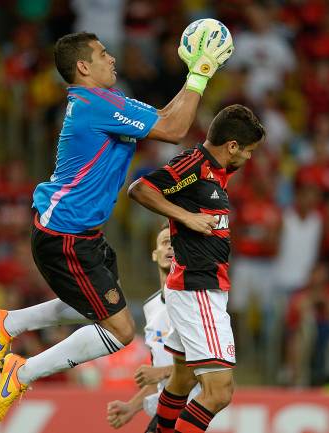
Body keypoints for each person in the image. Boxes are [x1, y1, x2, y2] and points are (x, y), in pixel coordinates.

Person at [0, 30, 234, 423]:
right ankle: (23, 371)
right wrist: (199, 74)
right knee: (119, 330)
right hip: (65, 234)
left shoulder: (104, 101)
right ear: (83, 66)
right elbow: (173, 131)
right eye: (103, 54)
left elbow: (167, 120)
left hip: (80, 232)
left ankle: (9, 323)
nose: (112, 58)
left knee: (99, 305)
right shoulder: (94, 107)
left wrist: (195, 75)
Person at [128, 104, 264, 433]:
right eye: (246, 150)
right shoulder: (195, 164)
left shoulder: (217, 171)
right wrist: (186, 217)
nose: (248, 158)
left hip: (195, 288)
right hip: (198, 288)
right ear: (232, 146)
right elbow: (140, 189)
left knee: (184, 377)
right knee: (219, 393)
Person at [106, 224, 201, 432]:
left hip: (189, 413)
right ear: (154, 254)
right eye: (166, 243)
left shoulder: (196, 304)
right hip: (164, 411)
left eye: (177, 244)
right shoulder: (151, 307)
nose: (171, 249)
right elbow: (157, 375)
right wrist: (131, 407)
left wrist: (162, 372)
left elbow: (206, 365)